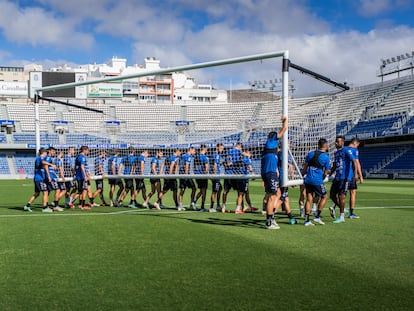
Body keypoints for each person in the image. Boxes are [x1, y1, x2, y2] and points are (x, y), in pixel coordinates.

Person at [261, 116, 288, 229]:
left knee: (277, 194)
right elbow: (284, 129)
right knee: (273, 197)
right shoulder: (271, 141)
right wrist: (285, 120)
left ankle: (271, 217)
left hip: (268, 173)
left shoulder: (270, 149)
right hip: (270, 173)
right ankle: (269, 222)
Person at [302, 138, 331, 226]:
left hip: (308, 179)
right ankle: (317, 216)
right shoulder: (326, 157)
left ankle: (307, 220)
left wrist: (302, 175)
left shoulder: (310, 153)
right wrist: (323, 178)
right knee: (325, 197)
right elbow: (326, 172)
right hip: (317, 181)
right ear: (325, 146)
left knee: (309, 199)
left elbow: (305, 167)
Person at [329, 136, 358, 224]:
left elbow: (354, 161)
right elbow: (335, 165)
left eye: (338, 142)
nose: (336, 143)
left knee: (341, 196)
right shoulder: (336, 153)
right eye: (336, 142)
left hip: (345, 177)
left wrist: (355, 174)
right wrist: (329, 173)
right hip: (337, 177)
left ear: (342, 142)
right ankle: (343, 209)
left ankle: (342, 217)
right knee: (332, 195)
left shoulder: (346, 150)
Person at [24, 148, 53, 213]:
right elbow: (43, 162)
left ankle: (27, 205)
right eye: (46, 153)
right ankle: (45, 208)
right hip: (39, 179)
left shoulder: (39, 159)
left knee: (37, 193)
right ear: (44, 153)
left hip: (38, 178)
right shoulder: (40, 158)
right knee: (45, 192)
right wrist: (51, 164)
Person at [275, 145, 297, 224]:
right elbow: (291, 167)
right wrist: (292, 180)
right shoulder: (285, 154)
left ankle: (291, 218)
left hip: (277, 177)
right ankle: (271, 215)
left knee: (285, 199)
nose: (290, 144)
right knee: (282, 197)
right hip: (283, 178)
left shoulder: (277, 153)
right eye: (289, 143)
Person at [222, 142, 243, 213]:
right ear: (239, 147)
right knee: (239, 192)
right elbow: (239, 161)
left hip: (227, 174)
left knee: (225, 191)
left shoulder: (228, 151)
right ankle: (237, 209)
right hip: (234, 174)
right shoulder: (239, 152)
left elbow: (225, 163)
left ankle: (223, 207)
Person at [347, 137, 364, 219]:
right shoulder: (354, 150)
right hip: (351, 175)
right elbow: (357, 163)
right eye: (357, 145)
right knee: (353, 193)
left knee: (342, 193)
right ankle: (351, 213)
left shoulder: (344, 149)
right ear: (355, 143)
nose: (357, 147)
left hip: (343, 175)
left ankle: (333, 206)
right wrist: (360, 175)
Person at [45, 147, 64, 211]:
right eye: (53, 151)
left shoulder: (51, 158)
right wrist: (49, 176)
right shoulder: (48, 157)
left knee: (48, 192)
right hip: (51, 176)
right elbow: (46, 166)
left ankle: (46, 205)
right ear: (49, 151)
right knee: (58, 190)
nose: (54, 153)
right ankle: (55, 206)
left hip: (52, 176)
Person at [74, 146, 91, 210]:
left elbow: (75, 166)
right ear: (84, 150)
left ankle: (80, 204)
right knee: (84, 190)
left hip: (79, 176)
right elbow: (82, 166)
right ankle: (82, 205)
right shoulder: (82, 157)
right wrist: (85, 175)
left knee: (81, 191)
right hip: (82, 176)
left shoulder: (78, 156)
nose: (88, 152)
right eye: (87, 150)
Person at [193, 145, 209, 212]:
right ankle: (202, 206)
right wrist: (206, 173)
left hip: (197, 175)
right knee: (204, 191)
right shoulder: (205, 157)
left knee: (202, 190)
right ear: (204, 149)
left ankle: (194, 201)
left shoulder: (196, 157)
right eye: (206, 149)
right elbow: (206, 168)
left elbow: (194, 166)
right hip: (202, 176)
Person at [210, 143, 224, 212]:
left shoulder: (217, 155)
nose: (222, 150)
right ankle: (211, 207)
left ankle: (218, 205)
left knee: (220, 188)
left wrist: (221, 164)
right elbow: (214, 165)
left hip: (217, 175)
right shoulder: (216, 155)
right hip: (216, 176)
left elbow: (216, 164)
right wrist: (214, 174)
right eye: (221, 148)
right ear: (217, 147)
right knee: (215, 191)